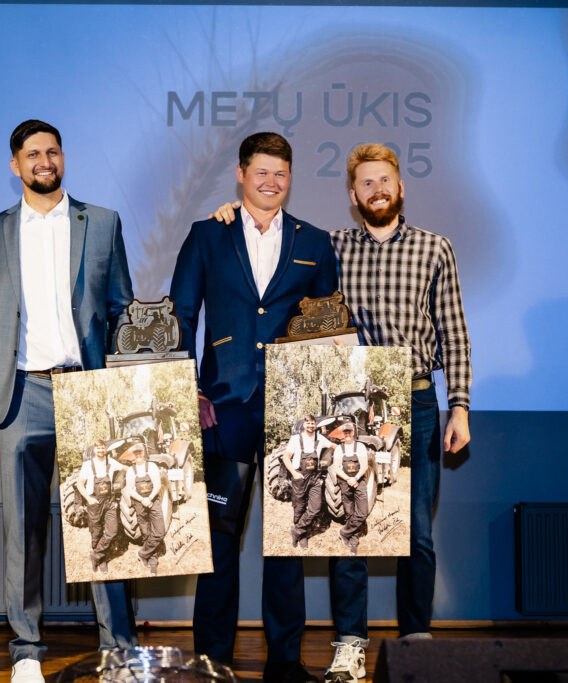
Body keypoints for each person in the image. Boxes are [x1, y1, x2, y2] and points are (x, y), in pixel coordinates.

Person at [209, 142, 472, 683]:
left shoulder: (435, 247)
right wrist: (233, 216)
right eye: (366, 183)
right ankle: (350, 643)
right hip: (349, 404)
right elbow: (280, 276)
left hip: (417, 400)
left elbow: (455, 334)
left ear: (401, 187)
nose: (377, 190)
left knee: (416, 534)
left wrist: (461, 407)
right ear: (353, 195)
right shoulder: (329, 247)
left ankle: (416, 642)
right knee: (348, 530)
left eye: (385, 180)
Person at [0, 120, 137, 683]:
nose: (45, 161)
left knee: (107, 525)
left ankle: (119, 653)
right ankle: (25, 652)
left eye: (53, 151)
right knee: (24, 531)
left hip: (89, 392)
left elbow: (122, 309)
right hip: (21, 394)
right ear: (15, 165)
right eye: (33, 154)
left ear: (63, 158)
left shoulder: (103, 222)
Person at [169, 131, 338, 683]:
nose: (271, 182)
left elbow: (329, 326)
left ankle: (285, 662)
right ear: (241, 174)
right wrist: (187, 388)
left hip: (295, 410)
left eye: (280, 173)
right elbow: (181, 317)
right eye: (261, 172)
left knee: (290, 539)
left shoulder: (315, 241)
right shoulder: (207, 234)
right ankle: (211, 660)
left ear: (291, 178)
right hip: (223, 406)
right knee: (218, 538)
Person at [281, 415, 332, 550]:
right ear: (304, 425)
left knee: (315, 508)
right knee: (299, 507)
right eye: (308, 423)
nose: (310, 425)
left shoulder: (320, 438)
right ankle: (302, 535)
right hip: (300, 477)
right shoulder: (296, 439)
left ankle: (296, 530)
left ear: (316, 425)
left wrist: (349, 448)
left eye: (312, 423)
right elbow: (286, 457)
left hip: (314, 478)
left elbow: (333, 446)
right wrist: (294, 473)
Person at [77, 441, 124, 573]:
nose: (101, 450)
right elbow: (80, 484)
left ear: (106, 449)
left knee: (112, 531)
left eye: (103, 448)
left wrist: (136, 469)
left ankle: (96, 555)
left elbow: (125, 468)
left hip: (109, 502)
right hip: (94, 502)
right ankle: (101, 560)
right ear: (94, 450)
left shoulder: (112, 462)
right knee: (96, 532)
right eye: (98, 448)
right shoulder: (88, 465)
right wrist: (89, 499)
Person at [123, 445, 165, 575]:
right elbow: (130, 490)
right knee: (146, 533)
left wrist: (150, 498)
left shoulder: (152, 466)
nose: (138, 455)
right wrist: (142, 500)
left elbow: (157, 485)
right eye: (135, 453)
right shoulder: (131, 470)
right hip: (139, 503)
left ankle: (142, 553)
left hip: (153, 501)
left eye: (140, 452)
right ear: (133, 455)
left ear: (144, 453)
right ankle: (153, 561)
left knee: (159, 532)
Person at [328, 421, 368, 556]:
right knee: (349, 512)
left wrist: (355, 478)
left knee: (362, 512)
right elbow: (336, 468)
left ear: (353, 432)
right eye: (345, 432)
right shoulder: (339, 449)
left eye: (349, 431)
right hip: (345, 482)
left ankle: (344, 532)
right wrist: (348, 479)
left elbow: (364, 466)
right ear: (343, 434)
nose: (347, 434)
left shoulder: (360, 446)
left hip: (359, 481)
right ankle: (353, 540)